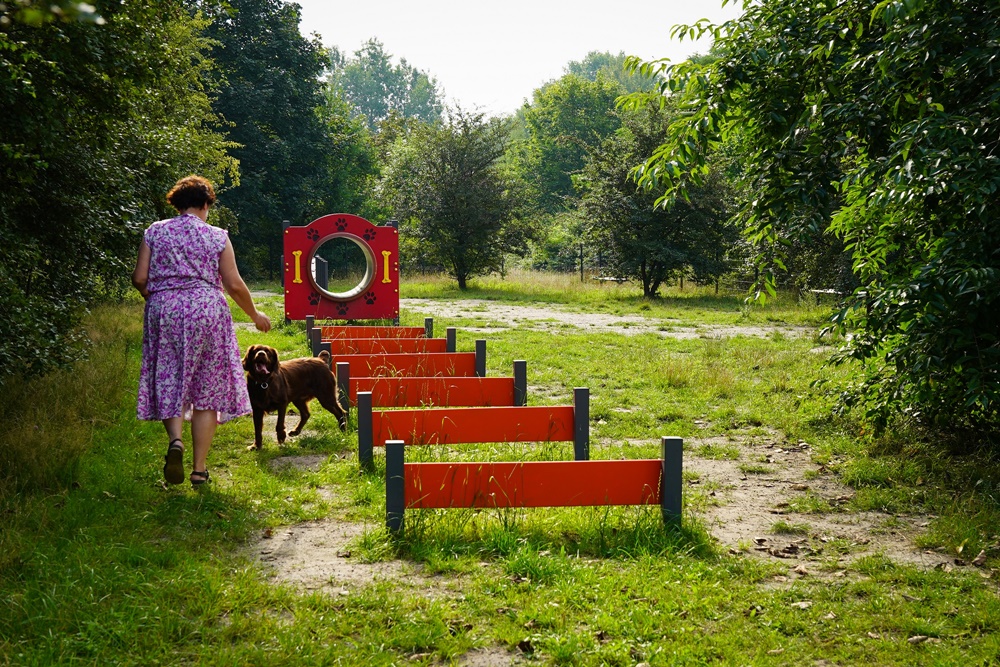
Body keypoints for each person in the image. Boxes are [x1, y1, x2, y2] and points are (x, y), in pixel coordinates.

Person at [132, 175, 271, 488]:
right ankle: (199, 470)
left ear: (177, 203)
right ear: (206, 203)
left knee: (169, 376)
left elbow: (140, 278)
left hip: (163, 308)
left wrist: (160, 299)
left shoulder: (155, 232)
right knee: (207, 389)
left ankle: (176, 441)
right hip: (206, 310)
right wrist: (254, 313)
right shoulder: (216, 236)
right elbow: (233, 284)